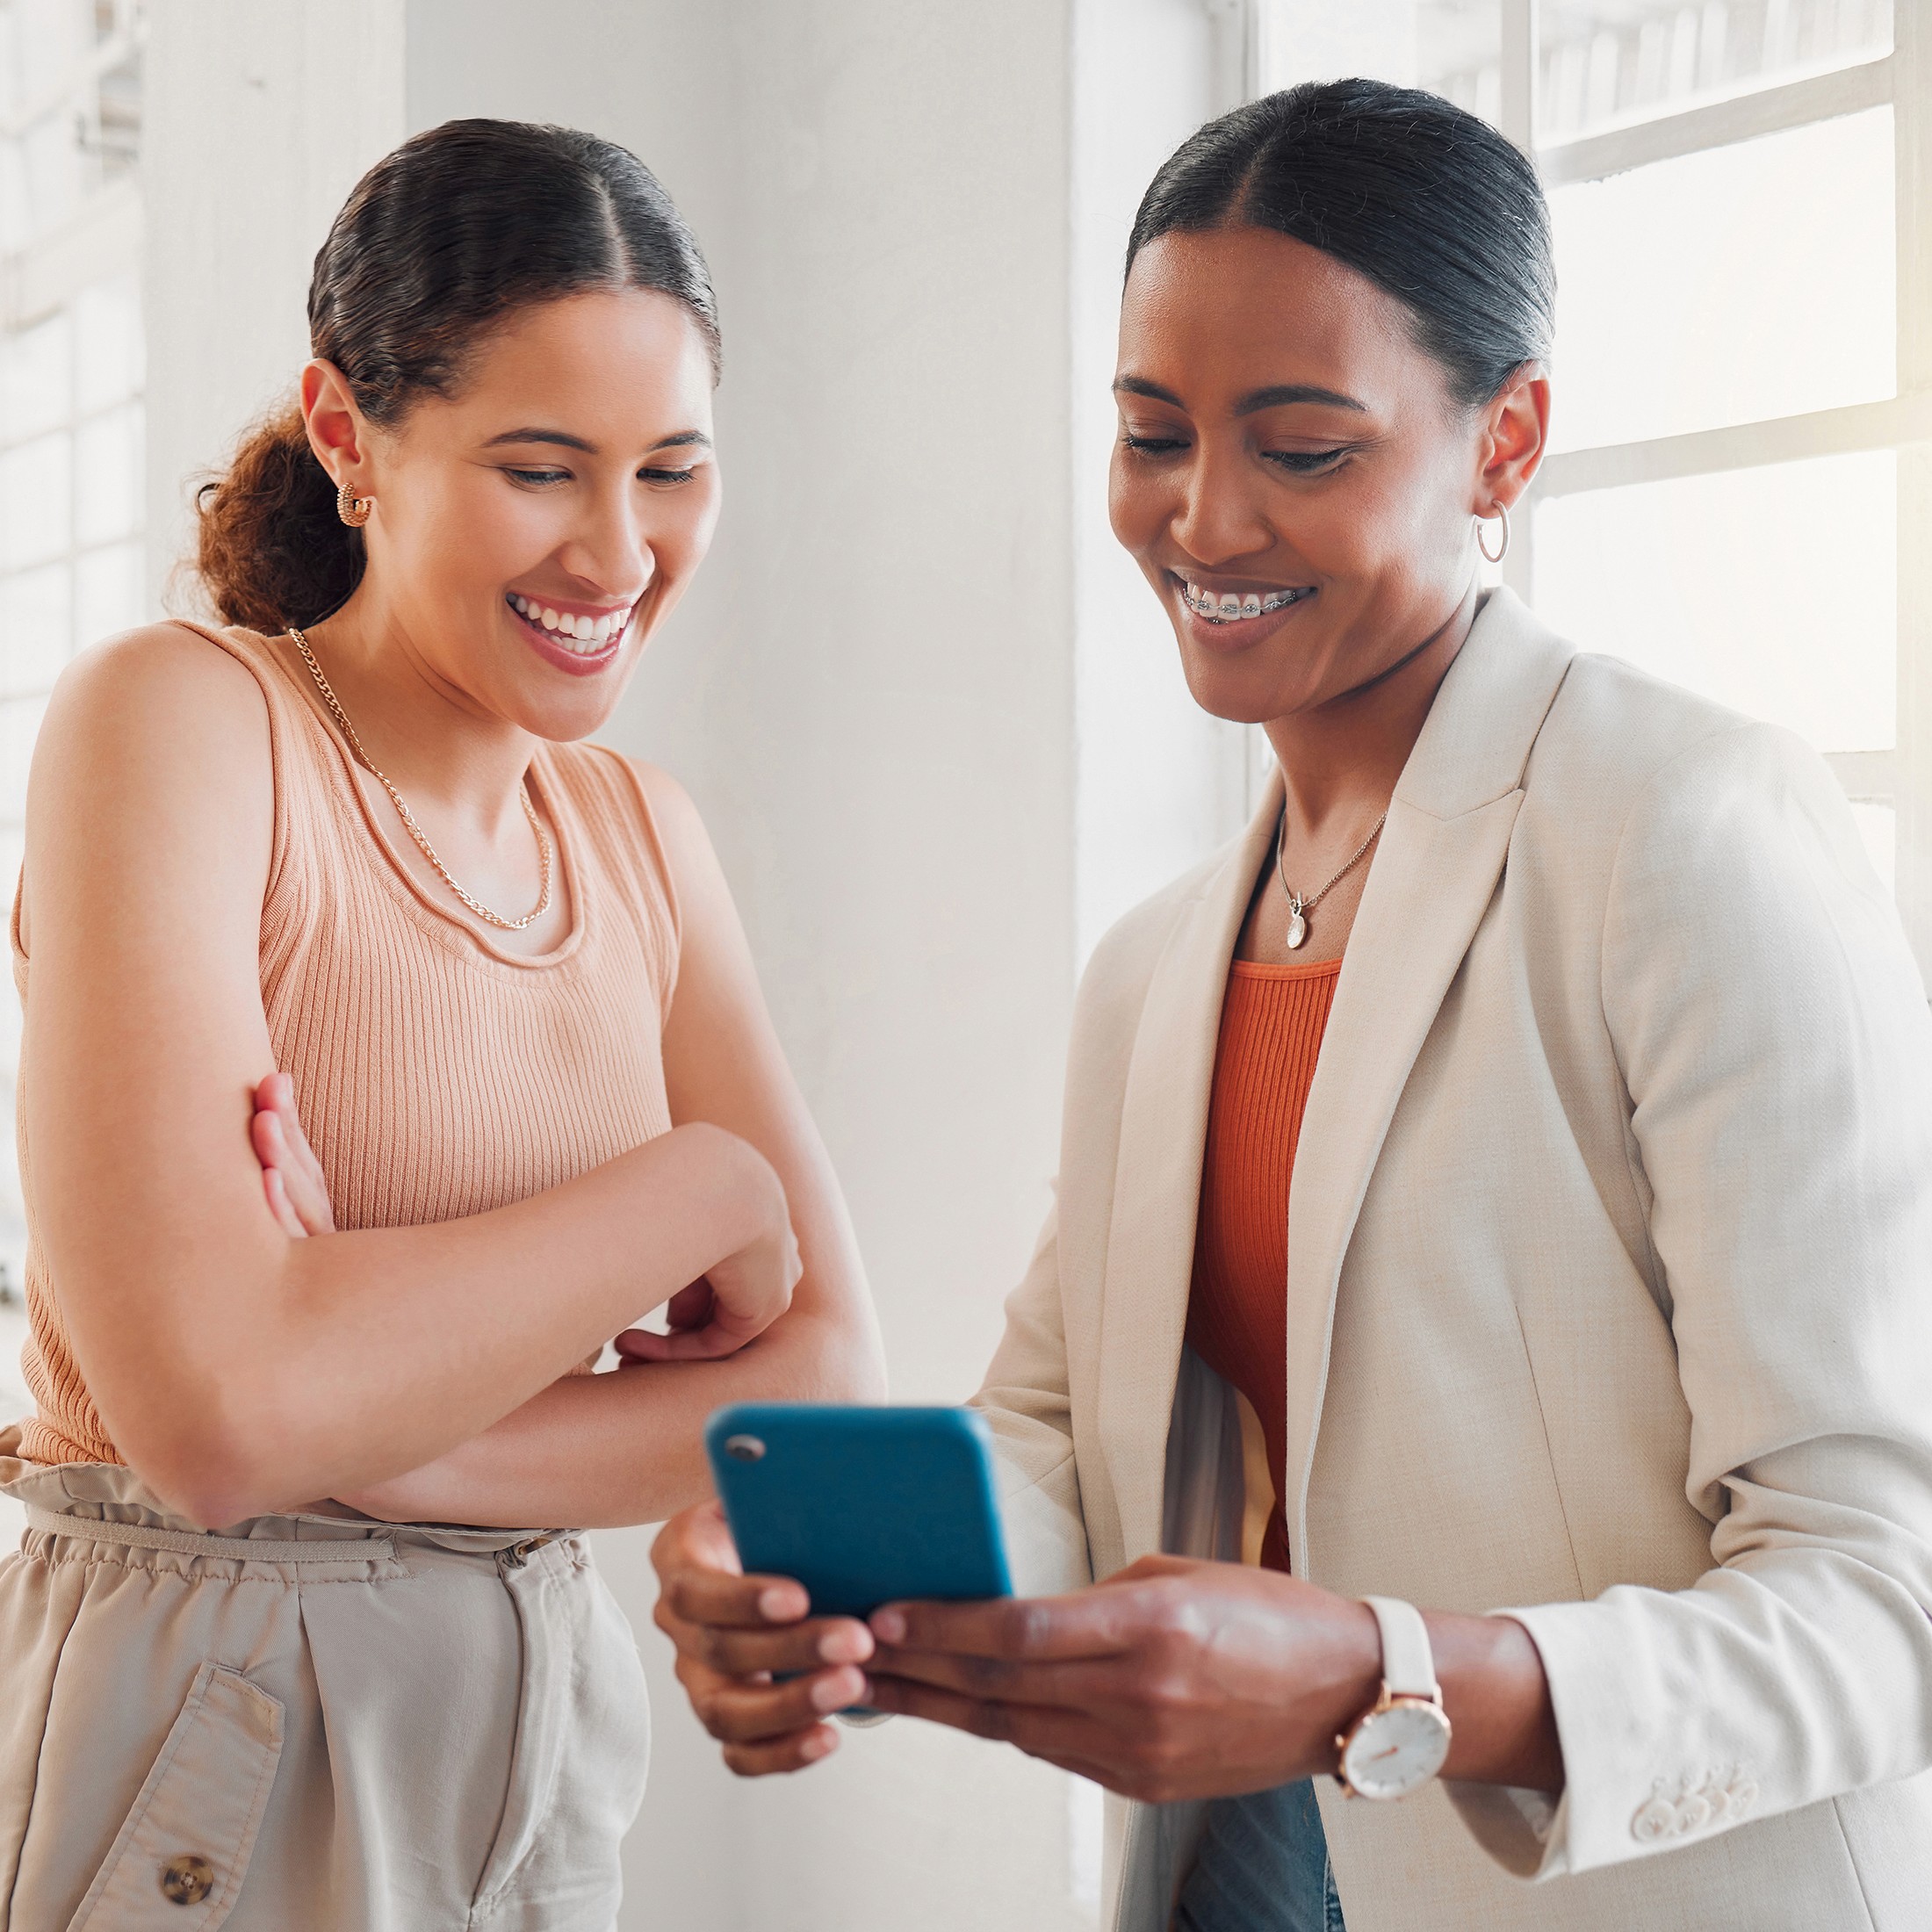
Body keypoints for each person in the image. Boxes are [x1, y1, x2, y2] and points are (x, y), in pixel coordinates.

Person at [650, 79, 1932, 1931]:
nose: (1201, 516)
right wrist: (819, 1579)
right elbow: (1052, 1439)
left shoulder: (1684, 832)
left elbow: (1881, 1595)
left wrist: (1376, 1676)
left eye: (1304, 445)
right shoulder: (1159, 962)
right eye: (1148, 432)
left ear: (1504, 443)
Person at [0, 119, 882, 1932]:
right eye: (541, 468)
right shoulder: (178, 727)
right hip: (209, 1715)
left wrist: (385, 1426)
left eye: (673, 469)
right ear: (349, 435)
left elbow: (820, 1381)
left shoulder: (641, 834)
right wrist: (699, 1182)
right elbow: (222, 1423)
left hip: (535, 1725)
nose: (618, 550)